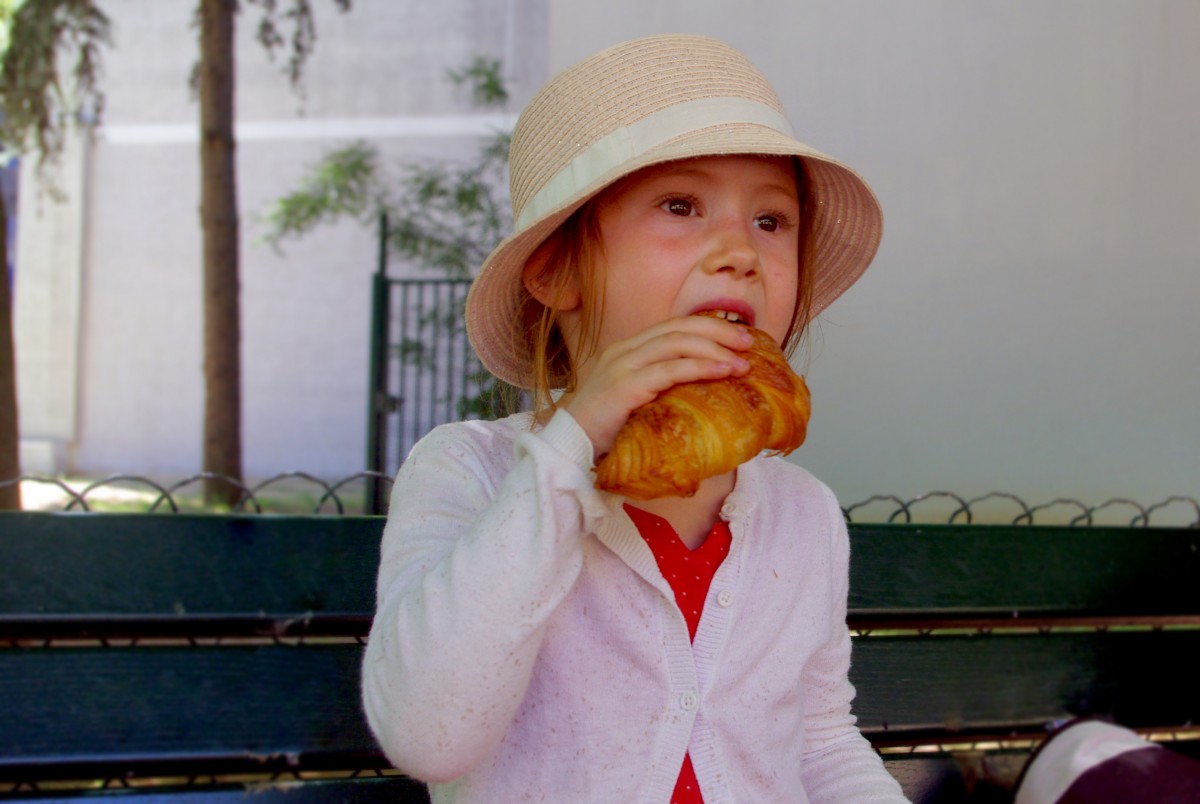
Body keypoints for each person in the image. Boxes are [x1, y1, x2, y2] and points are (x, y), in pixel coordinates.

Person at [362, 33, 908, 803]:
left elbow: (818, 740)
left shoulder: (801, 513)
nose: (739, 252)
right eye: (681, 205)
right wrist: (570, 448)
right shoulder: (473, 473)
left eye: (771, 221)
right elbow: (431, 737)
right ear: (554, 270)